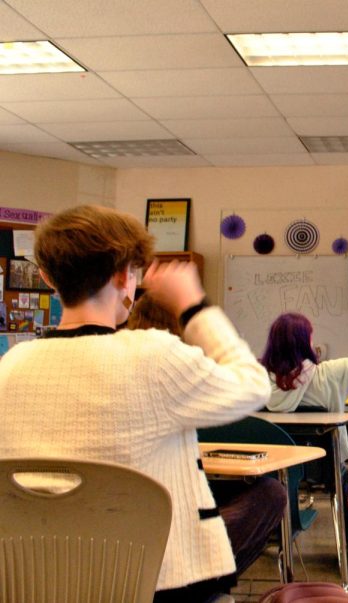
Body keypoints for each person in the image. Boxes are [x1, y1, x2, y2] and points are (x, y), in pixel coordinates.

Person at [0, 205, 271, 602]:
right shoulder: (152, 355)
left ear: (46, 277)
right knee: (266, 498)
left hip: (35, 580)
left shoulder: (10, 366)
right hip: (153, 583)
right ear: (124, 276)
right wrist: (194, 305)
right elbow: (253, 385)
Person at [127, 293, 286, 579]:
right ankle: (205, 575)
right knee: (271, 493)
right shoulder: (179, 371)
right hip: (165, 552)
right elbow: (252, 387)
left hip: (114, 536)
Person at [262, 296, 348, 467]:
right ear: (306, 343)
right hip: (327, 468)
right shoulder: (333, 373)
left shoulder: (258, 381)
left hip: (275, 469)